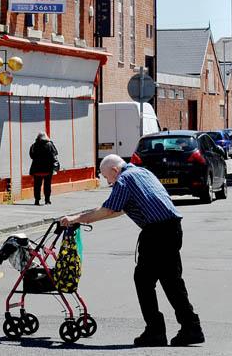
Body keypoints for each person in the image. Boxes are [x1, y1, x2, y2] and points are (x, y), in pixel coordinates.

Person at [60, 154, 204, 347]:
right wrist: (84, 216)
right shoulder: (142, 172)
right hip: (173, 228)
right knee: (172, 281)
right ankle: (191, 327)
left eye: (106, 177)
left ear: (114, 171)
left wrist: (76, 218)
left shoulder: (124, 180)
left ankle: (155, 331)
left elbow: (108, 210)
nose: (108, 182)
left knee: (144, 281)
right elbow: (116, 209)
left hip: (156, 232)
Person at [29, 132, 58, 206]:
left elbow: (32, 155)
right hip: (47, 169)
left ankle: (37, 200)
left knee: (37, 185)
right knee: (47, 185)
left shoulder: (34, 145)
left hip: (37, 169)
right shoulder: (50, 144)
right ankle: (47, 200)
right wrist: (55, 168)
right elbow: (54, 156)